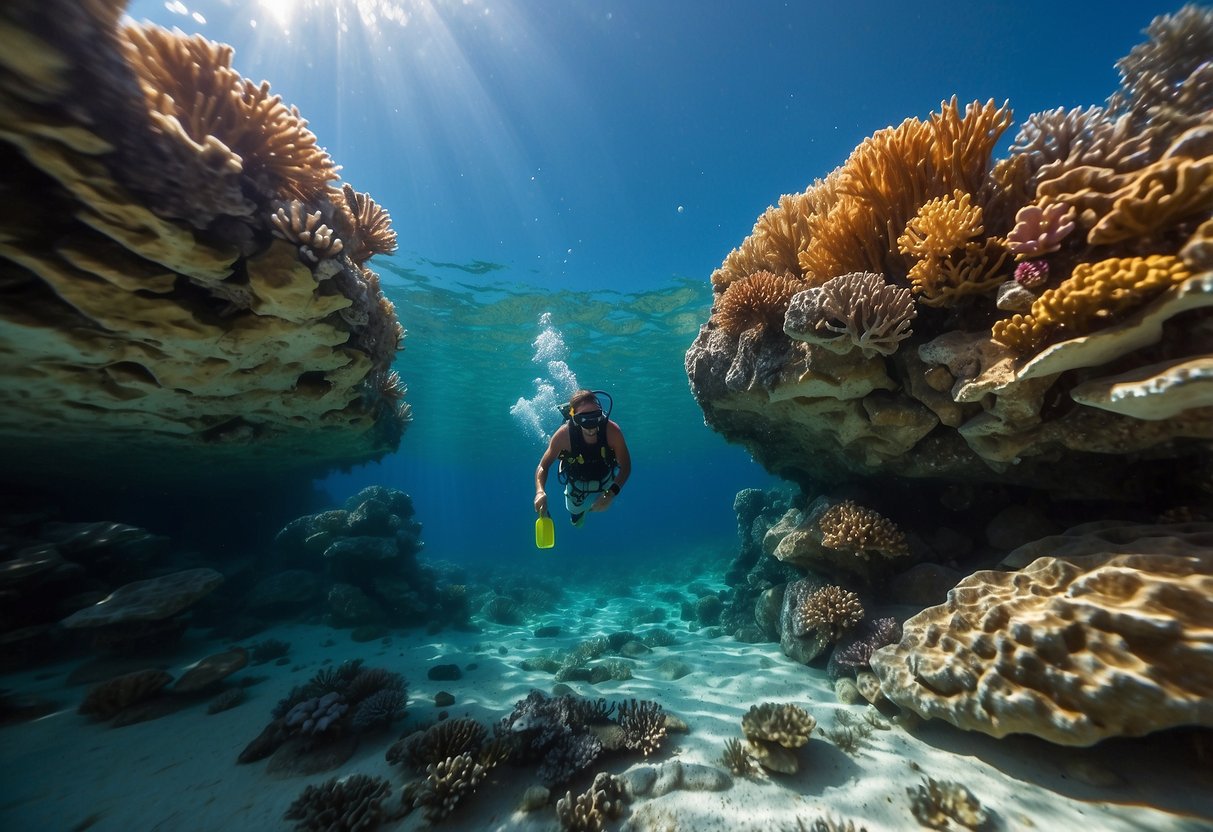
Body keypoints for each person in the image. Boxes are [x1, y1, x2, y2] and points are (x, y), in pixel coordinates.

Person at [534, 389, 632, 527]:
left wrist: (611, 493)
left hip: (606, 478)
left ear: (602, 413)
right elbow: (543, 465)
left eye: (595, 417)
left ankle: (593, 506)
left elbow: (626, 465)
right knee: (575, 516)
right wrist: (540, 491)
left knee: (602, 503)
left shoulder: (612, 430)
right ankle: (578, 515)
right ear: (574, 418)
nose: (591, 426)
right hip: (577, 485)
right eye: (584, 420)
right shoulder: (563, 435)